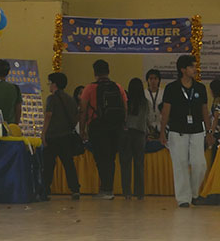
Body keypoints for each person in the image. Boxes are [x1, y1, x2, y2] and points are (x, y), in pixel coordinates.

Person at [160, 55, 213, 208]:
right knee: (180, 164)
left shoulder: (200, 88)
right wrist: (162, 131)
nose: (195, 69)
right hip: (177, 131)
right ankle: (183, 198)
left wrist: (209, 131)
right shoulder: (171, 88)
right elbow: (166, 111)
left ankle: (194, 193)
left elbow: (204, 110)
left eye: (195, 66)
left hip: (197, 130)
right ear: (183, 69)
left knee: (200, 164)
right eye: (191, 67)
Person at [79, 59, 127, 200]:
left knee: (101, 158)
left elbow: (83, 111)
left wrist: (82, 129)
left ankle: (106, 190)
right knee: (111, 158)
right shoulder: (118, 87)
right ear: (108, 71)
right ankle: (108, 188)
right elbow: (125, 108)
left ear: (95, 73)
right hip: (115, 127)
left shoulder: (89, 88)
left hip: (97, 126)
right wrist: (122, 124)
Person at [41, 72, 81, 200]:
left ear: (55, 84)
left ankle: (45, 189)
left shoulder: (51, 98)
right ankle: (75, 189)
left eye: (49, 83)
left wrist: (43, 133)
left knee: (48, 164)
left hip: (52, 136)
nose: (49, 85)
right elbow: (76, 117)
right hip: (66, 136)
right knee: (68, 164)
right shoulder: (70, 99)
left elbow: (48, 116)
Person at [119, 77, 149, 200]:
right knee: (139, 164)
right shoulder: (145, 103)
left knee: (125, 164)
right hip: (140, 134)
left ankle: (127, 192)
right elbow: (146, 119)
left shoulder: (126, 101)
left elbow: (123, 117)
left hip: (126, 133)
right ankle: (139, 193)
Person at [144, 69, 164, 138]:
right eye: (151, 78)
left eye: (155, 78)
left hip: (161, 124)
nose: (153, 81)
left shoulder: (163, 93)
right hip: (148, 125)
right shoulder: (144, 94)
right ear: (147, 80)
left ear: (159, 80)